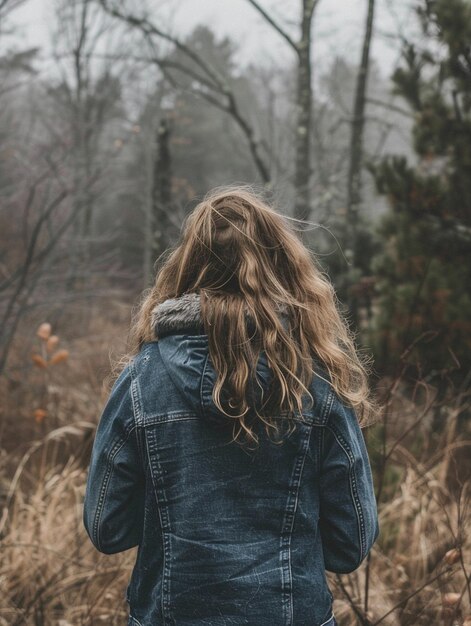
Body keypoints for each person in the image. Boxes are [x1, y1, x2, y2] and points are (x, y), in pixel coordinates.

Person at [83, 185, 380, 626]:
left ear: (186, 270)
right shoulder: (316, 385)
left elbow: (108, 529)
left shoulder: (142, 382)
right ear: (284, 269)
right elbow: (349, 544)